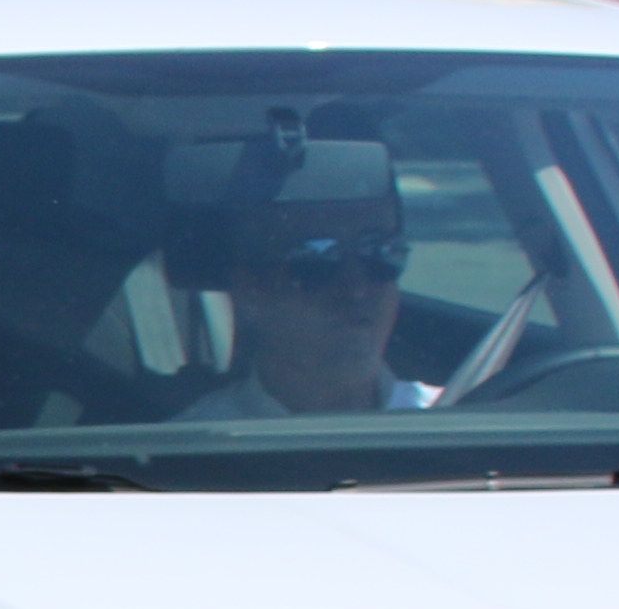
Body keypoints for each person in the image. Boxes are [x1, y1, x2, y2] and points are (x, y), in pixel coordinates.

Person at [179, 142, 437, 418]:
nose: (357, 289)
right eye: (317, 260)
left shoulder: (460, 422)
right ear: (249, 289)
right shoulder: (192, 450)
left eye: (380, 253)